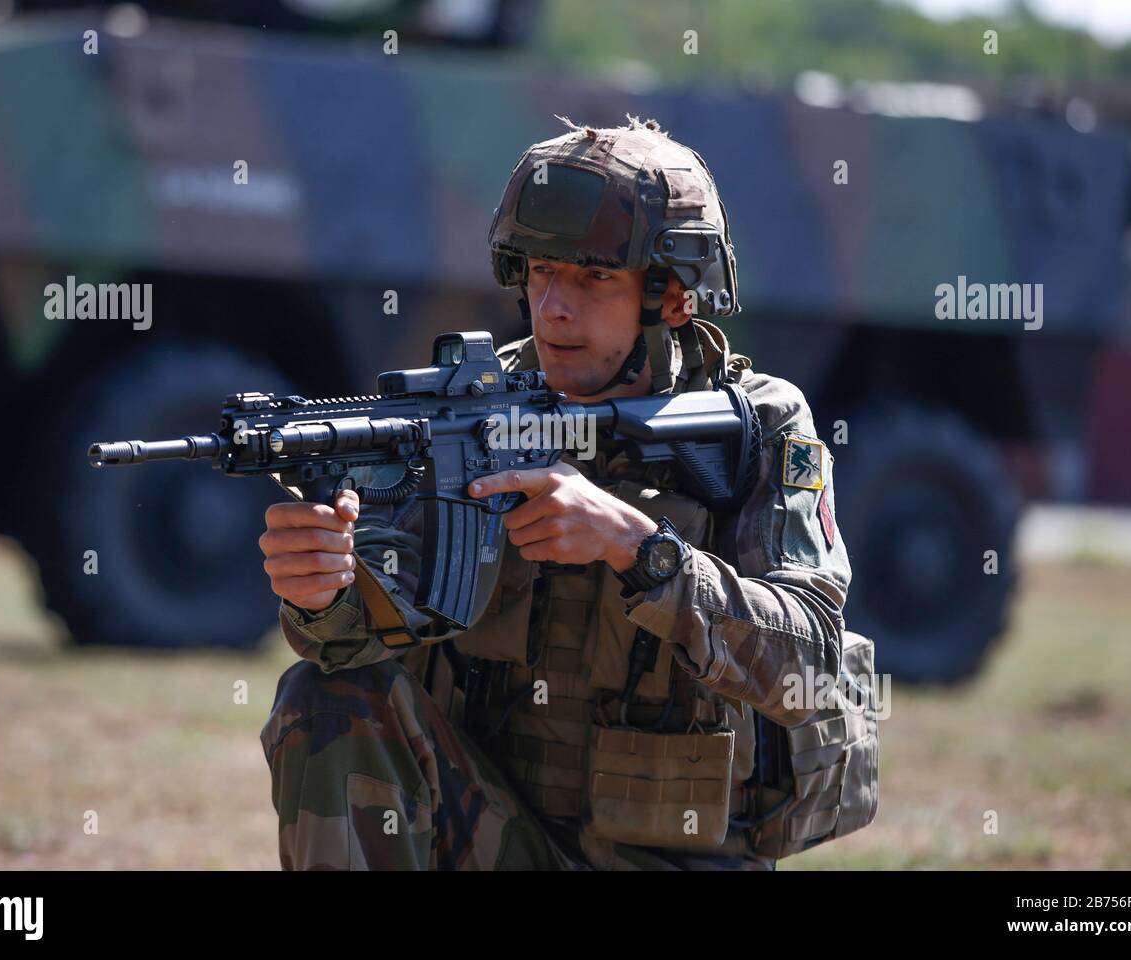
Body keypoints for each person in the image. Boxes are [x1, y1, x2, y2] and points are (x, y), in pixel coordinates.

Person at [258, 115, 852, 870]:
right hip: (492, 840)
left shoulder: (761, 425)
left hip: (669, 858)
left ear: (672, 295)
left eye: (593, 276)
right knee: (326, 696)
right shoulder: (471, 409)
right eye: (540, 272)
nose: (554, 308)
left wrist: (642, 552)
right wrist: (323, 592)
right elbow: (355, 641)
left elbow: (814, 670)